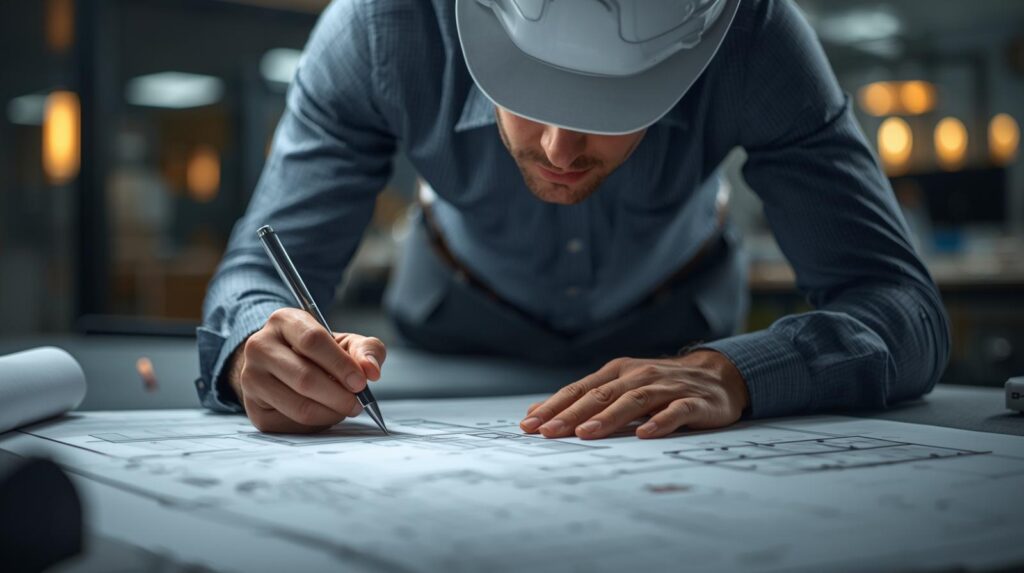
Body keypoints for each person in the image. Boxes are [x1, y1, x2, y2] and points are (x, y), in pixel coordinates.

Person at [196, 0, 950, 439]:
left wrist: (739, 371)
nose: (559, 148)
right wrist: (256, 340)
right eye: (525, 93)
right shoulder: (379, 30)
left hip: (677, 333)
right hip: (454, 335)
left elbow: (902, 306)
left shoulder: (753, 35)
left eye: (608, 109)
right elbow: (258, 278)